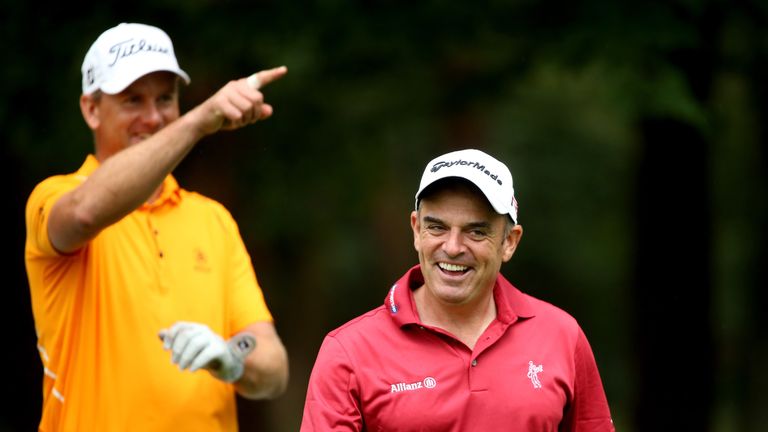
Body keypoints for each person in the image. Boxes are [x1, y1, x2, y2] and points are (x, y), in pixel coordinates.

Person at [24, 22, 289, 431]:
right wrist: (201, 121)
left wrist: (231, 359)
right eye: (133, 100)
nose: (153, 117)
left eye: (166, 99)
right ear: (91, 109)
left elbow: (274, 370)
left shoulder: (211, 219)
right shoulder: (56, 197)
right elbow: (84, 214)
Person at [300, 149, 615, 431]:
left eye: (476, 232)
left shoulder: (561, 335)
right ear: (416, 229)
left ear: (509, 242)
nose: (451, 248)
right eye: (436, 227)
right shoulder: (349, 352)